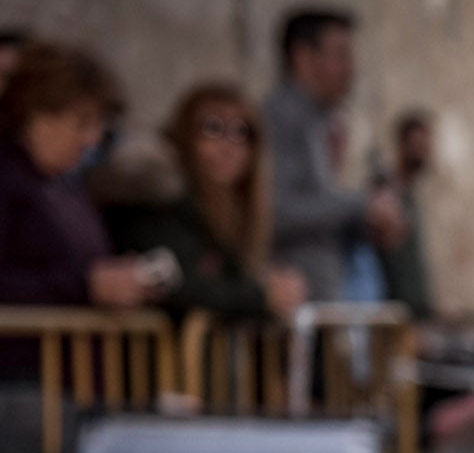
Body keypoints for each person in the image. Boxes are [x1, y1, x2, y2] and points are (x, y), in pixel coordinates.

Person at [0, 42, 162, 366]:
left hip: (73, 377)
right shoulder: (9, 178)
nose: (92, 139)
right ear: (38, 113)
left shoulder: (66, 186)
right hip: (23, 380)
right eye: (82, 122)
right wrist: (84, 286)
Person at [104, 82, 304, 323]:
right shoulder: (156, 198)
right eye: (212, 128)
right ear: (185, 135)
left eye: (242, 132)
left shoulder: (227, 212)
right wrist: (260, 296)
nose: (228, 146)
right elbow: (176, 285)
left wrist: (270, 289)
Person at [264, 4, 404, 302]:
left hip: (322, 296)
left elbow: (320, 213)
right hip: (292, 302)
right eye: (340, 55)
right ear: (302, 57)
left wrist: (369, 225)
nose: (350, 68)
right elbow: (275, 211)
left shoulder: (319, 122)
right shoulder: (281, 119)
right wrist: (362, 207)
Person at [379, 109, 434, 320]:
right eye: (416, 144)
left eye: (425, 144)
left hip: (415, 310)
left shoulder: (409, 196)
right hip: (395, 310)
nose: (422, 151)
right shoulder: (388, 194)